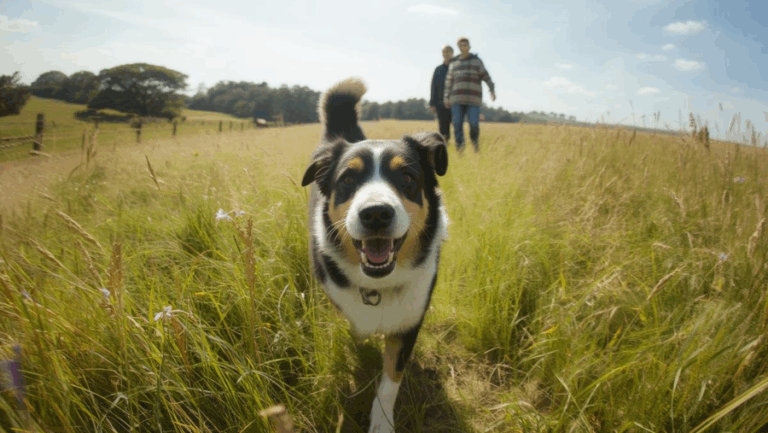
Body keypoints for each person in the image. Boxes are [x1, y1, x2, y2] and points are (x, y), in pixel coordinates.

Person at [443, 37, 496, 152]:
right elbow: (448, 81)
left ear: (469, 46)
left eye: (465, 45)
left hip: (473, 100)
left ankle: (475, 145)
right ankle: (460, 150)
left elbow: (486, 76)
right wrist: (446, 97)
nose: (463, 47)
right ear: (458, 47)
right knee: (457, 125)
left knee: (473, 124)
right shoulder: (454, 63)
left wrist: (492, 89)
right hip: (456, 100)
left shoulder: (477, 61)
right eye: (460, 45)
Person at [429, 45, 454, 141]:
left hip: (455, 102)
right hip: (440, 103)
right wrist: (432, 103)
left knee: (457, 126)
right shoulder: (438, 69)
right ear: (442, 54)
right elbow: (433, 86)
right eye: (444, 51)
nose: (446, 53)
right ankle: (445, 147)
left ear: (452, 53)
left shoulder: (456, 68)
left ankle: (459, 149)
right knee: (443, 128)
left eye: (448, 51)